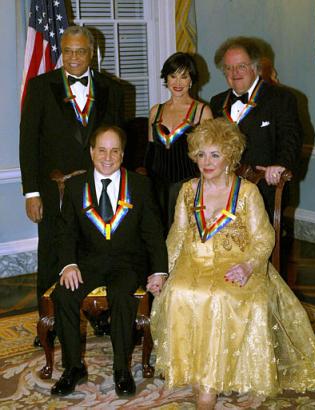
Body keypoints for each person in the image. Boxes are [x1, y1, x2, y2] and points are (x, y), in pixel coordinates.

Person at [150, 118, 315, 409]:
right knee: (181, 292)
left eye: (215, 155)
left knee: (223, 297)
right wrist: (162, 272)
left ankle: (224, 378)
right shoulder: (188, 190)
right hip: (193, 259)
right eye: (201, 154)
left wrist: (248, 266)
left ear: (230, 157)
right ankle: (197, 374)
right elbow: (177, 235)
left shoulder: (246, 192)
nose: (206, 162)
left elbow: (263, 238)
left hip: (239, 262)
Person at [19, 26, 124, 341]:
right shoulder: (40, 87)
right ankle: (48, 323)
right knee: (52, 252)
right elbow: (28, 144)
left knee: (97, 250)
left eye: (80, 51)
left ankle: (98, 312)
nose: (73, 57)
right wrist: (32, 193)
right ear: (60, 52)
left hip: (99, 186)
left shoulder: (112, 89)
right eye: (67, 51)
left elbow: (118, 142)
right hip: (55, 189)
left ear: (91, 53)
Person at [51, 125, 168, 397]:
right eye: (101, 150)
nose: (108, 156)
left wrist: (160, 270)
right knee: (64, 295)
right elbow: (65, 232)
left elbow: (153, 233)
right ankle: (73, 368)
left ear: (123, 154)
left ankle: (121, 369)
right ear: (92, 152)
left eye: (114, 150)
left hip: (127, 263)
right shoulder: (75, 186)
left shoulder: (139, 186)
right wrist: (68, 264)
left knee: (121, 294)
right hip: (87, 263)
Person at [210, 36, 302, 219]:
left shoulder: (281, 98)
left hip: (266, 190)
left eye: (241, 66)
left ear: (255, 67)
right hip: (222, 192)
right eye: (229, 68)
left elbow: (291, 138)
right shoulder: (216, 102)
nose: (235, 72)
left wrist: (280, 164)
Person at [146, 52, 213, 233]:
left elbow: (208, 157)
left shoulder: (202, 112)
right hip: (157, 188)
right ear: (166, 78)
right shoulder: (155, 111)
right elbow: (150, 153)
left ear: (191, 80)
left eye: (184, 77)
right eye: (173, 76)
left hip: (188, 187)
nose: (178, 82)